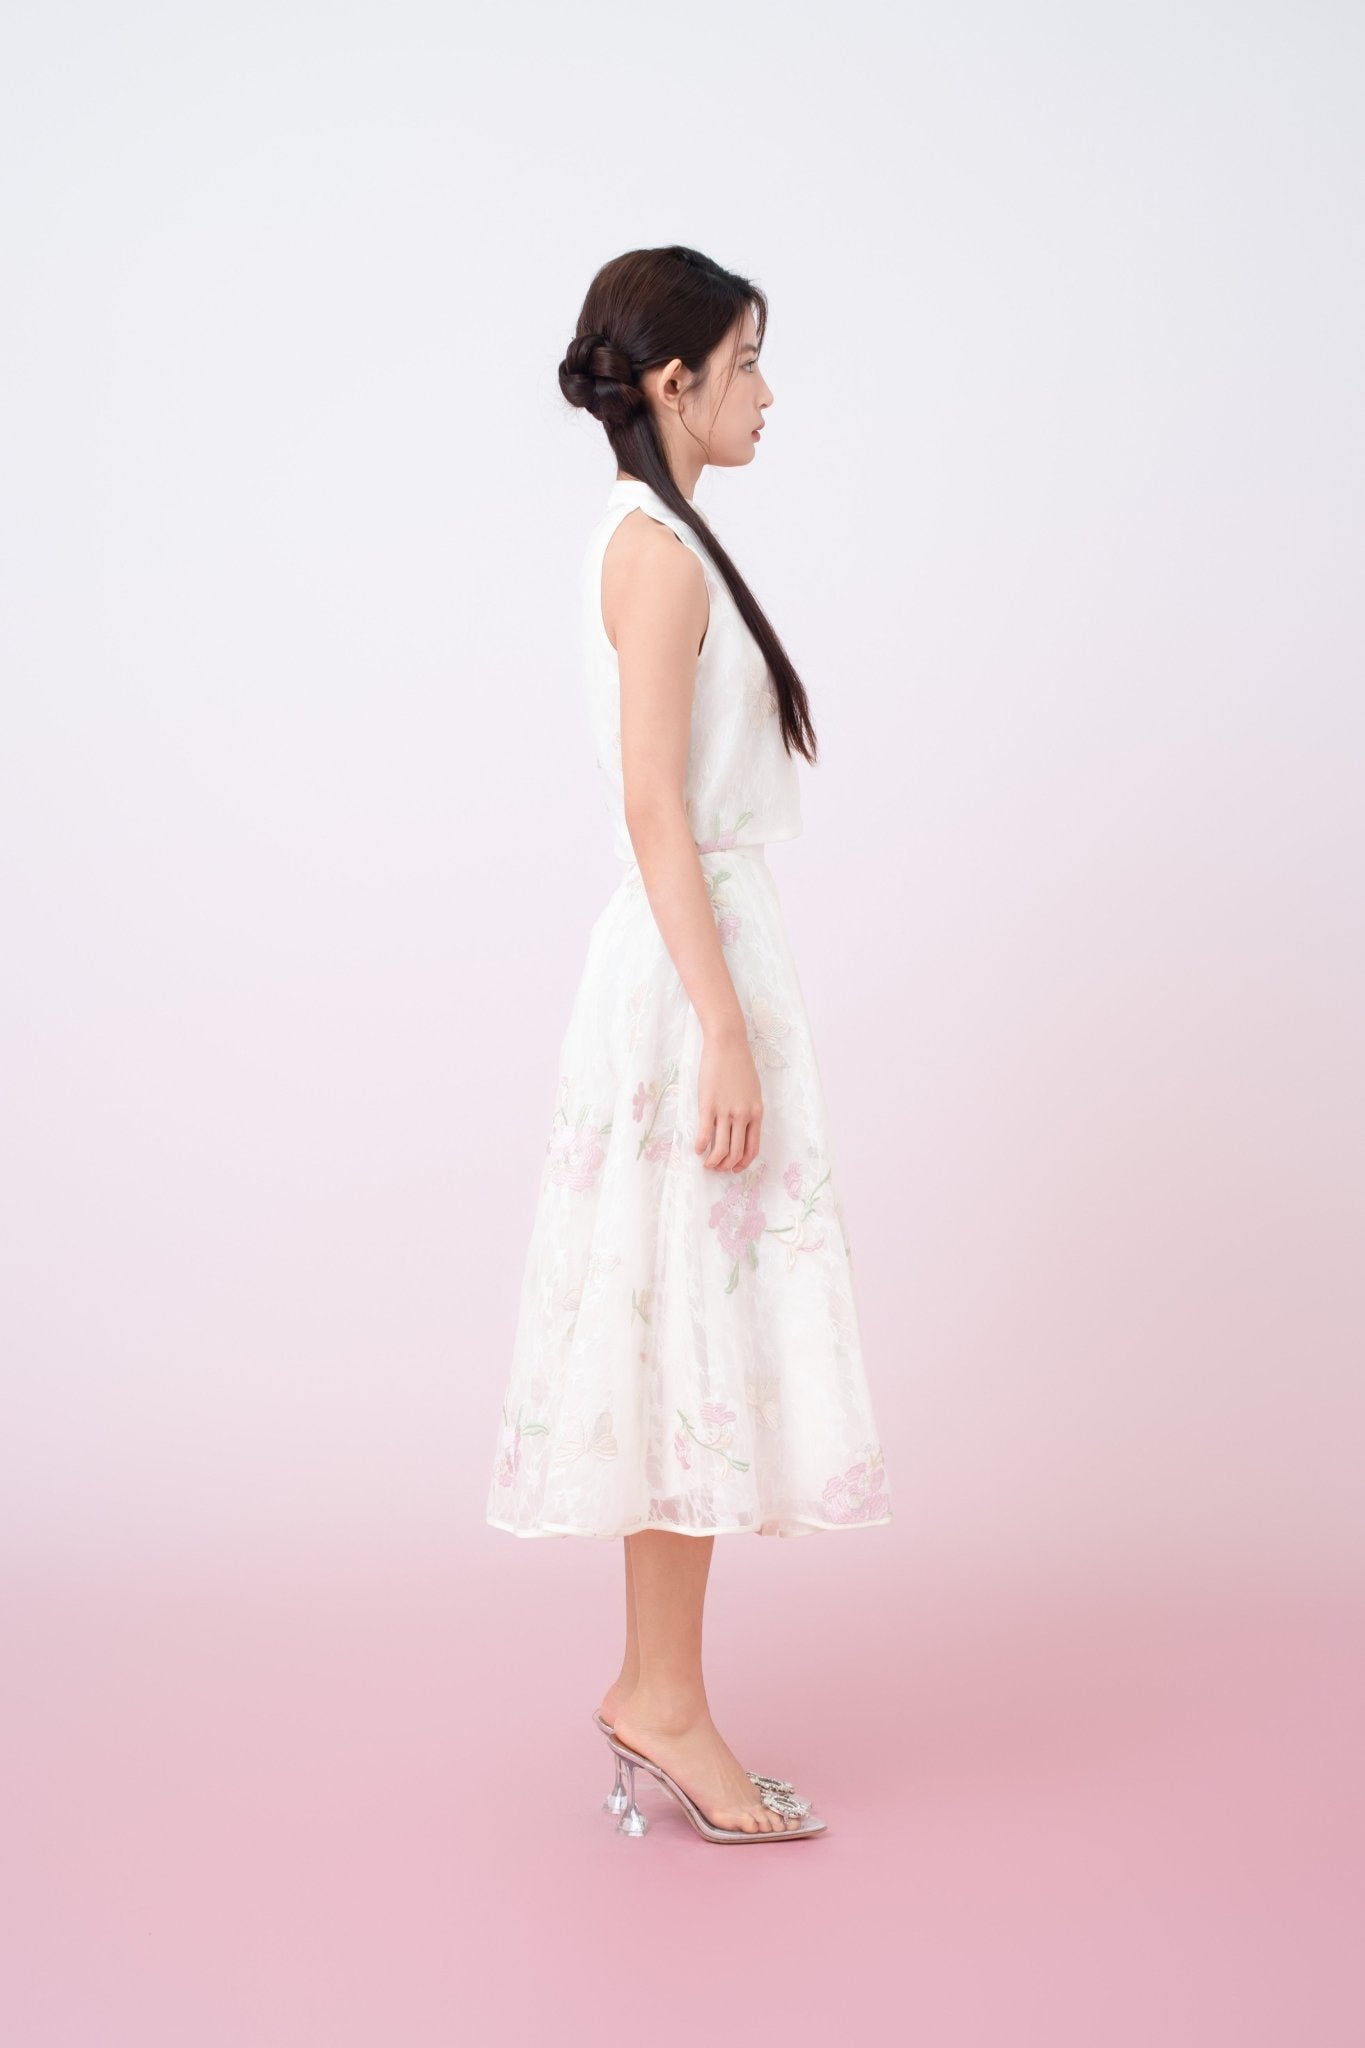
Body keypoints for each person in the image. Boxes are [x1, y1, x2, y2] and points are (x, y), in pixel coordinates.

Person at [485, 245, 891, 1843]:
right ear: (674, 381)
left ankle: (661, 1692)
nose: (766, 394)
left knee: (685, 1336)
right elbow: (655, 805)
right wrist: (722, 1029)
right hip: (683, 973)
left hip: (698, 957)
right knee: (680, 1331)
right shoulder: (654, 554)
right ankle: (661, 1699)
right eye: (746, 361)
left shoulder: (665, 539)